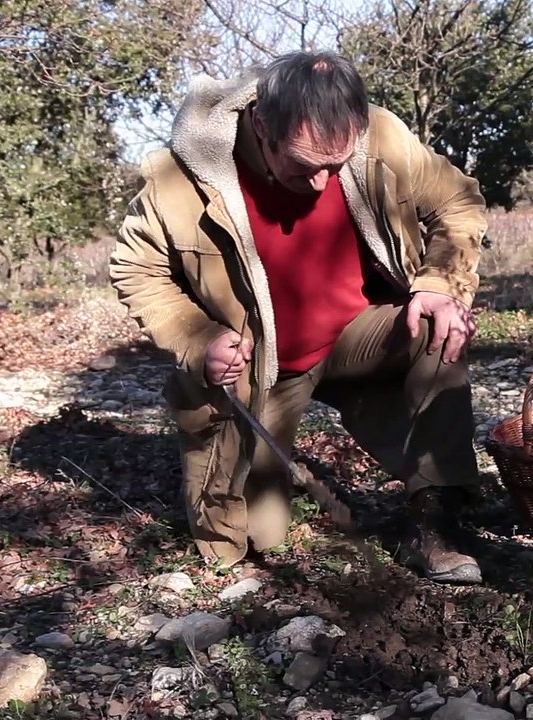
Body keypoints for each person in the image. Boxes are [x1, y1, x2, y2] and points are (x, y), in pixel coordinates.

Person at [108, 50, 489, 584]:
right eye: (304, 166)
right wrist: (199, 339)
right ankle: (264, 472)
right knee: (251, 541)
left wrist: (438, 285)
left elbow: (458, 202)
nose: (319, 185)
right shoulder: (183, 176)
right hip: (263, 368)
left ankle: (436, 520)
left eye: (335, 168)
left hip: (358, 336)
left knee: (437, 326)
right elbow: (135, 269)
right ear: (261, 125)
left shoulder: (381, 138)